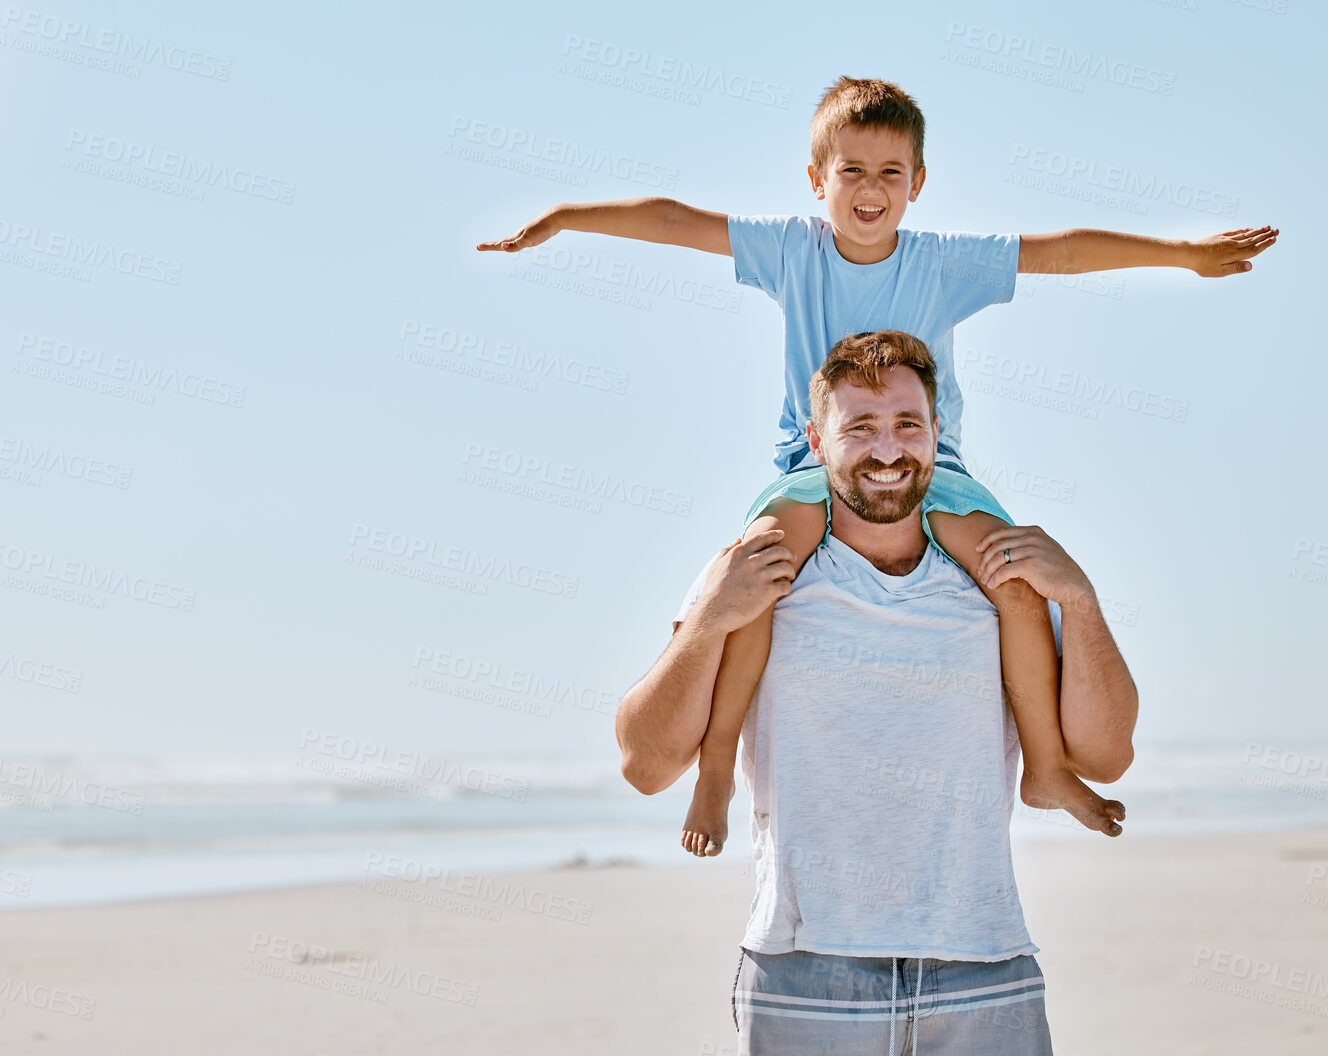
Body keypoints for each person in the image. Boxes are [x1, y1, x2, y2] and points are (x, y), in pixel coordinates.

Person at [479, 76, 1273, 855]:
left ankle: (1044, 766)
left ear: (917, 182)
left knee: (1014, 581)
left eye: (890, 171)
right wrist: (562, 218)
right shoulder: (791, 250)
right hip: (810, 464)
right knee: (758, 575)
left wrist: (1182, 256)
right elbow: (670, 218)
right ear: (816, 179)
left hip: (939, 471)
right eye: (850, 170)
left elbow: (1060, 251)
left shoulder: (939, 262)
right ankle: (716, 764)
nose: (870, 189)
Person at [614, 331, 1137, 1054]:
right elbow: (643, 767)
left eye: (906, 426)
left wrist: (1078, 599)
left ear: (934, 434)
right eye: (859, 427)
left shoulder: (996, 570)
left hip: (982, 963)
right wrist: (708, 619)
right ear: (817, 443)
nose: (887, 450)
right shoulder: (757, 567)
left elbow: (1107, 759)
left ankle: (1042, 776)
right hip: (804, 970)